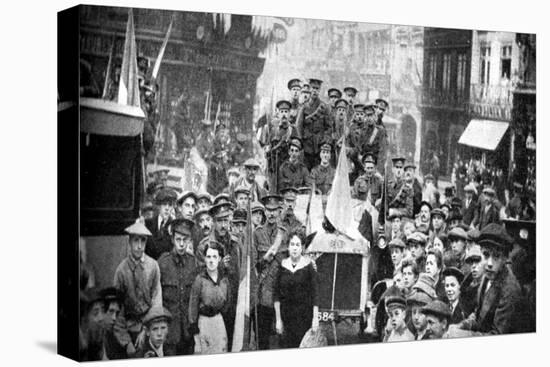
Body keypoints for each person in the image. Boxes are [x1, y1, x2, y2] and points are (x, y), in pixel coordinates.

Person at [451, 223, 524, 335]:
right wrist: (461, 326)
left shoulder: (509, 290)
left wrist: (461, 335)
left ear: (505, 259)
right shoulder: (488, 276)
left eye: (496, 256)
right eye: (486, 255)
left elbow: (497, 335)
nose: (489, 263)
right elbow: (478, 316)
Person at [198, 202, 241, 348]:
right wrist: (218, 268)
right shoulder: (204, 246)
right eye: (219, 221)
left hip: (234, 306)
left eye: (225, 220)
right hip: (214, 310)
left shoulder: (236, 244)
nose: (223, 225)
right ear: (213, 222)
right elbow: (199, 280)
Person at [113, 219, 162, 347]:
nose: (139, 246)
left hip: (149, 327)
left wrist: (146, 329)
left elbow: (156, 300)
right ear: (129, 242)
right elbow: (118, 309)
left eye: (143, 240)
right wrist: (126, 342)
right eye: (136, 240)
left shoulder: (153, 266)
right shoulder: (121, 270)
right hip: (128, 329)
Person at [157, 218, 200, 355]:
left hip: (189, 331)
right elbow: (157, 298)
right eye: (178, 240)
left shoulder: (193, 263)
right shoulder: (163, 263)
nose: (181, 244)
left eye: (185, 240)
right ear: (172, 240)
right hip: (170, 332)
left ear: (189, 241)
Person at [274, 231, 319, 348]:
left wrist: (315, 319)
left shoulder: (309, 267)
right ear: (288, 247)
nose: (294, 248)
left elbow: (315, 294)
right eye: (292, 244)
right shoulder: (282, 266)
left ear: (302, 248)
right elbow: (276, 295)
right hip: (286, 318)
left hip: (304, 318)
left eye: (298, 245)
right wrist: (278, 320)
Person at [254, 195, 288, 350]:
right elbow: (254, 265)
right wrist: (265, 259)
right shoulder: (257, 233)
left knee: (283, 337)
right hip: (264, 292)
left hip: (282, 291)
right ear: (264, 211)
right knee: (263, 337)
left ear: (279, 211)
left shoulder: (285, 234)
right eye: (268, 210)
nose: (272, 214)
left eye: (275, 210)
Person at [188, 241, 232, 354]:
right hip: (204, 322)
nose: (211, 260)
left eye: (214, 257)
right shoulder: (200, 280)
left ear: (219, 259)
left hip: (218, 321)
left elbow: (227, 303)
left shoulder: (224, 280)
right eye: (208, 257)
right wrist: (196, 335)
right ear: (205, 259)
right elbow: (193, 308)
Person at [296, 78, 332, 170]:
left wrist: (324, 141)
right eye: (313, 88)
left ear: (319, 90)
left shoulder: (324, 107)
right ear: (309, 89)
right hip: (306, 145)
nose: (315, 91)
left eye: (317, 89)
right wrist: (301, 142)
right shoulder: (304, 107)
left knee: (318, 171)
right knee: (305, 170)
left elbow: (329, 127)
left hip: (319, 146)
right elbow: (299, 126)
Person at [145, 188, 177, 260]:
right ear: (159, 206)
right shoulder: (148, 224)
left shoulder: (174, 227)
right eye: (164, 204)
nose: (167, 208)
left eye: (170, 205)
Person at [380, 157, 414, 224]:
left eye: (401, 168)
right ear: (393, 169)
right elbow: (383, 207)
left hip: (401, 222)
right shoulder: (387, 186)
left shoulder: (408, 189)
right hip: (388, 221)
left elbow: (409, 212)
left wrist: (394, 211)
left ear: (403, 171)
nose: (399, 170)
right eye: (397, 167)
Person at [460, 244, 485, 316]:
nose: (473, 266)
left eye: (477, 262)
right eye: (471, 263)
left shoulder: (487, 287)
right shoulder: (465, 286)